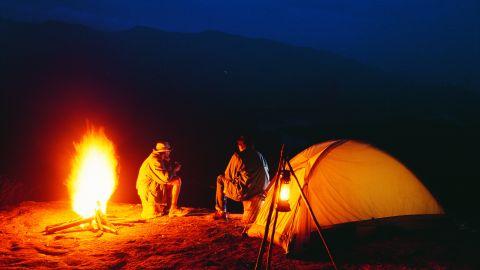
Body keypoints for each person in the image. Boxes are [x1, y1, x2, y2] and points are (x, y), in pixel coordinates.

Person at [214, 136, 269, 220]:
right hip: (261, 190)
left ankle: (221, 211)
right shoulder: (261, 156)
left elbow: (228, 176)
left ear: (240, 145)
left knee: (220, 179)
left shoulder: (238, 156)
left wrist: (237, 179)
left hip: (246, 193)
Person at [136, 141, 188, 219]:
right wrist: (174, 169)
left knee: (173, 181)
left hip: (151, 191)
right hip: (149, 194)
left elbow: (163, 175)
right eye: (168, 152)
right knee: (176, 181)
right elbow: (166, 178)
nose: (169, 153)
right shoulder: (155, 161)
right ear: (165, 152)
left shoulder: (157, 159)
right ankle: (173, 209)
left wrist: (170, 166)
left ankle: (168, 207)